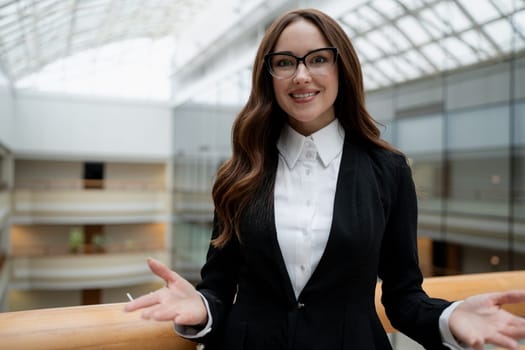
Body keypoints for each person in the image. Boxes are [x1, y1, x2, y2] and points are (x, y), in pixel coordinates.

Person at [125, 8, 525, 350]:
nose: (301, 75)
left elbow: (403, 297)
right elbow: (219, 287)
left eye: (318, 59)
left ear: (341, 68)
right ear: (269, 76)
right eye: (285, 62)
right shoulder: (240, 172)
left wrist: (449, 317)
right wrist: (201, 309)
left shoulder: (389, 171)